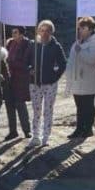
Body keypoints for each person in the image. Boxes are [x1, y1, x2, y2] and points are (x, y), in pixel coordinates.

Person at [28, 20, 67, 148]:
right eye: (42, 30)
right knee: (36, 110)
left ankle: (46, 137)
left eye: (47, 30)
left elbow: (63, 64)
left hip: (50, 84)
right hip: (35, 84)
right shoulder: (33, 44)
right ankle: (35, 136)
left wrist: (55, 77)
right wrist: (29, 69)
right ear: (38, 31)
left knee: (48, 110)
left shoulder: (55, 46)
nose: (44, 33)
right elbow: (26, 61)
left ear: (51, 32)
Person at [65, 16, 95, 139]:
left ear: (91, 29)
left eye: (83, 28)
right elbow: (71, 60)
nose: (80, 30)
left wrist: (80, 51)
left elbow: (92, 60)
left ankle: (88, 129)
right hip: (77, 79)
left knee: (88, 105)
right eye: (79, 28)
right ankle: (79, 128)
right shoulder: (78, 42)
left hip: (89, 79)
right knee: (79, 106)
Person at [4, 27, 32, 141]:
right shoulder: (10, 43)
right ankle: (13, 131)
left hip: (20, 79)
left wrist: (12, 63)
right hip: (9, 79)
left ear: (21, 34)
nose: (13, 34)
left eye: (15, 32)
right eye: (12, 32)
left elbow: (26, 62)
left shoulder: (28, 44)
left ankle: (27, 130)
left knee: (20, 105)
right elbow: (5, 58)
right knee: (9, 105)